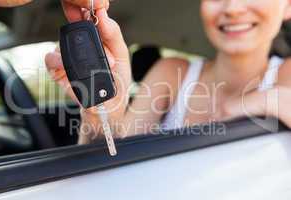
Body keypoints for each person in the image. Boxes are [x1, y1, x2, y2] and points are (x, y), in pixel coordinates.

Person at [29, 0, 291, 143]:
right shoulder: (171, 72)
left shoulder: (286, 75)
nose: (232, 8)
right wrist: (100, 114)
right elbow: (115, 155)